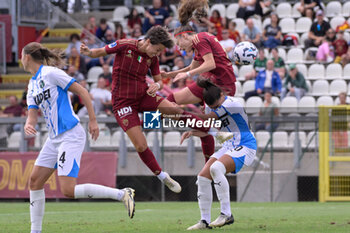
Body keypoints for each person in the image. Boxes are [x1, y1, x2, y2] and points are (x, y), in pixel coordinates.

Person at [80, 26, 232, 193]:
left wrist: (156, 85)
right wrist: (88, 52)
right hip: (123, 103)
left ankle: (213, 131)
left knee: (173, 109)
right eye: (157, 49)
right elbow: (99, 51)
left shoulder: (153, 59)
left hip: (144, 96)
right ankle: (162, 175)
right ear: (148, 42)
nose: (157, 54)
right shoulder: (125, 45)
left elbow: (159, 81)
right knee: (140, 145)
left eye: (160, 51)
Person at [22, 42, 135, 233]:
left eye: (21, 57)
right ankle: (35, 231)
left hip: (70, 134)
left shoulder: (51, 73)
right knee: (34, 181)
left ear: (26, 57)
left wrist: (93, 120)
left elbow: (82, 91)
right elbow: (32, 115)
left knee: (67, 190)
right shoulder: (32, 84)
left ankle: (123, 194)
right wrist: (29, 124)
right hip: (54, 138)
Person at [161, 0, 237, 163]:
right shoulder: (198, 43)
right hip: (210, 84)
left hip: (222, 89)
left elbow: (211, 64)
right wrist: (169, 74)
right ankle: (209, 162)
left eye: (178, 43)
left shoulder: (200, 39)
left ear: (184, 36)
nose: (179, 49)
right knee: (171, 102)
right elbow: (192, 66)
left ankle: (217, 155)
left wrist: (188, 74)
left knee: (206, 125)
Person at [181, 79, 257, 230]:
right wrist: (193, 132)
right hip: (229, 145)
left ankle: (226, 214)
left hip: (245, 145)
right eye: (212, 107)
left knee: (216, 168)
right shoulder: (213, 109)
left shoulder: (231, 104)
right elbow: (212, 129)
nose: (215, 108)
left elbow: (208, 119)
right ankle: (204, 221)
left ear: (222, 94)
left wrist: (179, 114)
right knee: (202, 177)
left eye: (216, 106)